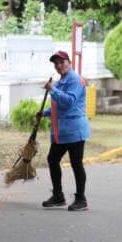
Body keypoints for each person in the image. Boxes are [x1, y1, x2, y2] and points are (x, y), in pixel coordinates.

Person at [38, 51, 91, 211]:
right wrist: (45, 113)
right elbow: (58, 105)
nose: (59, 66)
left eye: (62, 62)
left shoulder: (76, 80)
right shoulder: (61, 81)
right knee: (52, 160)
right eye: (56, 63)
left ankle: (81, 200)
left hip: (74, 130)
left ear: (69, 62)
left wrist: (52, 89)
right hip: (61, 132)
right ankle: (58, 196)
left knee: (76, 164)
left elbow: (68, 101)